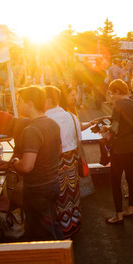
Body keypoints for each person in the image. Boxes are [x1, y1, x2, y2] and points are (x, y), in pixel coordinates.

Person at [8, 86, 62, 240]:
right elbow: (59, 151)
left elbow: (27, 166)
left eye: (20, 101)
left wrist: (14, 162)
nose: (18, 105)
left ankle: (57, 260)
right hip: (53, 182)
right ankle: (63, 255)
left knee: (43, 232)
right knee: (52, 224)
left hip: (38, 187)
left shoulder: (31, 130)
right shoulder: (53, 123)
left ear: (30, 104)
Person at [100, 79, 133, 224]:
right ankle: (130, 210)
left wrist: (105, 128)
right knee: (132, 180)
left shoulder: (118, 104)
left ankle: (118, 215)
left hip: (119, 148)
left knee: (116, 182)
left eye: (112, 93)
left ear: (118, 91)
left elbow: (115, 127)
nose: (111, 96)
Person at [44, 85, 82, 239]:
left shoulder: (45, 119)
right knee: (72, 194)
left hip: (55, 160)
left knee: (58, 196)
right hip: (72, 158)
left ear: (47, 99)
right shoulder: (71, 116)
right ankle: (74, 224)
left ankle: (63, 230)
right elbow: (78, 139)